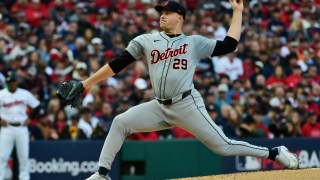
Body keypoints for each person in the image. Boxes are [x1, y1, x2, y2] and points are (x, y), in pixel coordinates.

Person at [78, 1, 299, 179]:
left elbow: (230, 45)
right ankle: (102, 174)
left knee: (224, 146)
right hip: (158, 105)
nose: (162, 15)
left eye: (168, 12)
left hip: (186, 104)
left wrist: (237, 12)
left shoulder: (194, 42)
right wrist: (85, 83)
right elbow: (117, 64)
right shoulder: (146, 40)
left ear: (180, 17)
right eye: (161, 12)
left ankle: (274, 152)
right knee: (120, 122)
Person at [0, 71, 40, 180]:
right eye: (9, 82)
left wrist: (30, 119)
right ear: (6, 83)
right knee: (2, 156)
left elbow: (37, 106)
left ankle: (24, 178)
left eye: (13, 81)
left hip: (21, 128)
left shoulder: (24, 93)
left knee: (23, 157)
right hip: (6, 128)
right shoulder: (1, 94)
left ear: (17, 82)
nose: (11, 83)